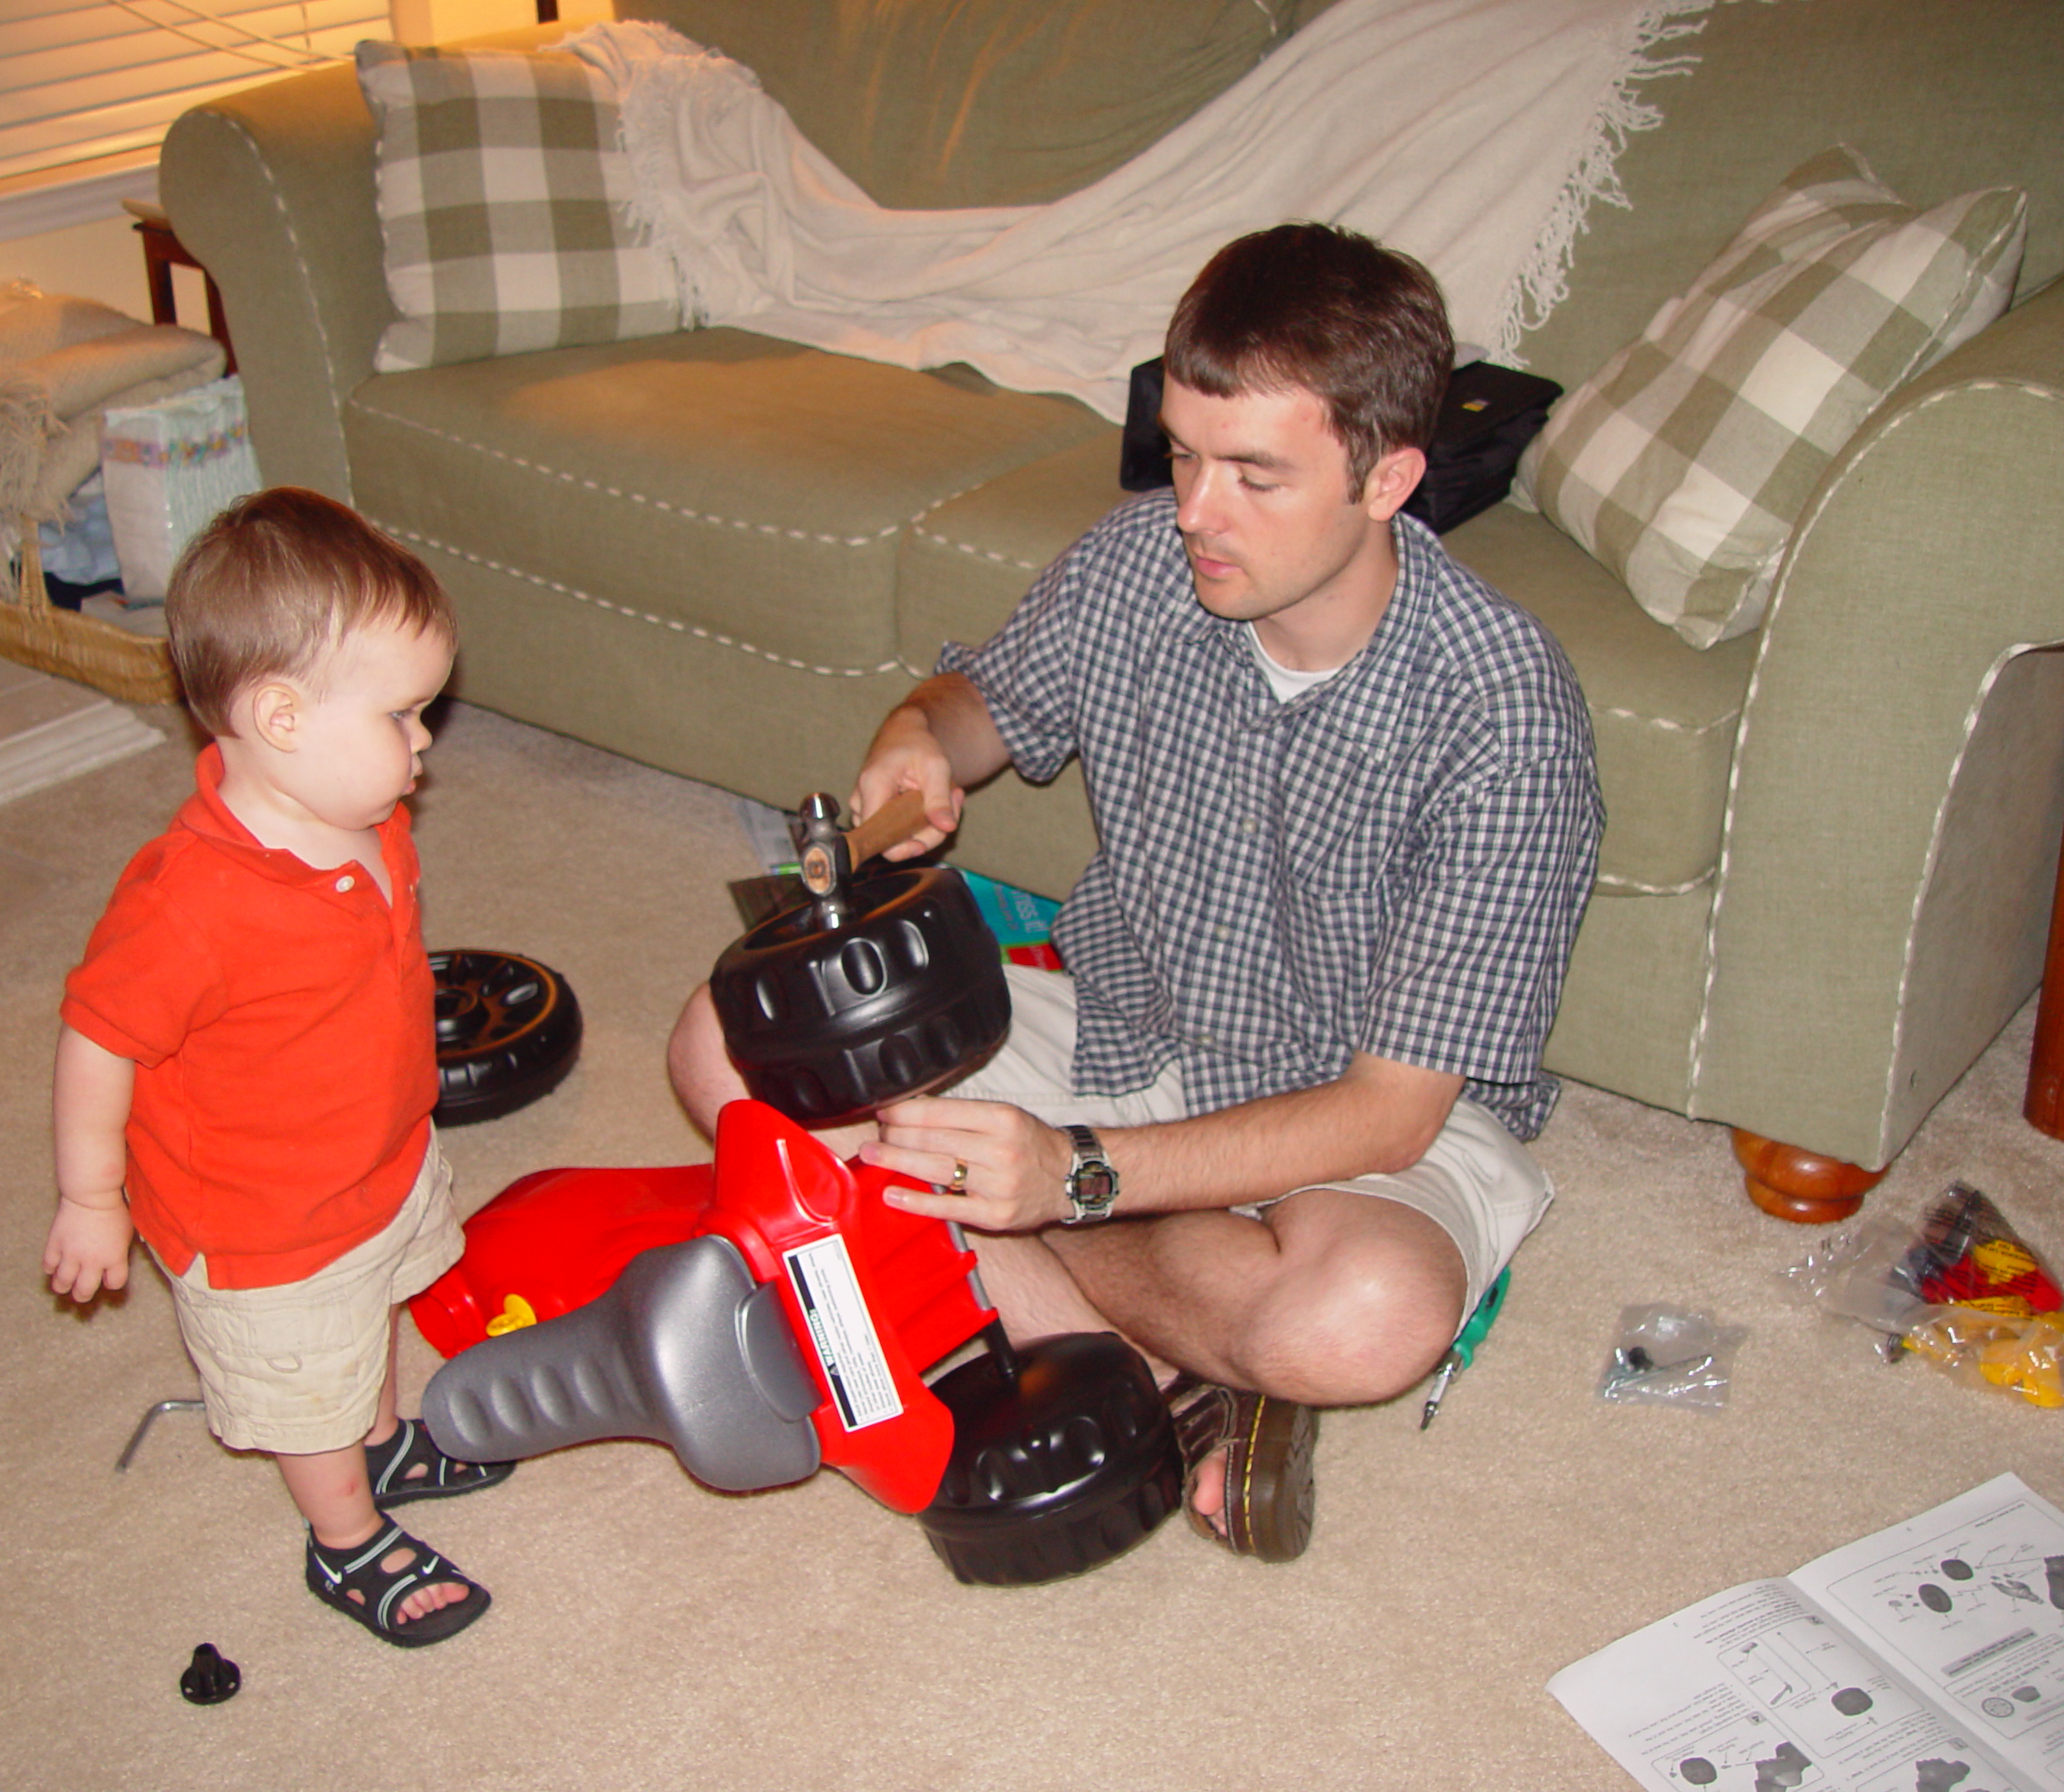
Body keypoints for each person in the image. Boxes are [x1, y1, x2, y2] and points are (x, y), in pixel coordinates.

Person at [669, 224, 1602, 1562]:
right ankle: (1157, 1369)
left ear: (1388, 477)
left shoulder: (1502, 713)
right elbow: (981, 705)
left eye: (1255, 477)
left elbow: (1390, 1115)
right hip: (1134, 1024)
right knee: (728, 1043)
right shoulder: (1137, 566)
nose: (1196, 514)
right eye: (1181, 454)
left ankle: (1007, 1279)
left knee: (1360, 1319)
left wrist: (1072, 1178)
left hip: (1359, 1110)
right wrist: (921, 736)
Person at [43, 486, 511, 1646]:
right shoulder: (189, 907)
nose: (423, 744)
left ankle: (383, 1437)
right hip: (264, 1227)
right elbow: (99, 1037)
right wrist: (89, 1196)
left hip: (376, 1158)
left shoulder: (367, 820)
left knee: (370, 1324)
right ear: (283, 718)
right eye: (405, 717)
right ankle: (347, 1541)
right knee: (310, 1386)